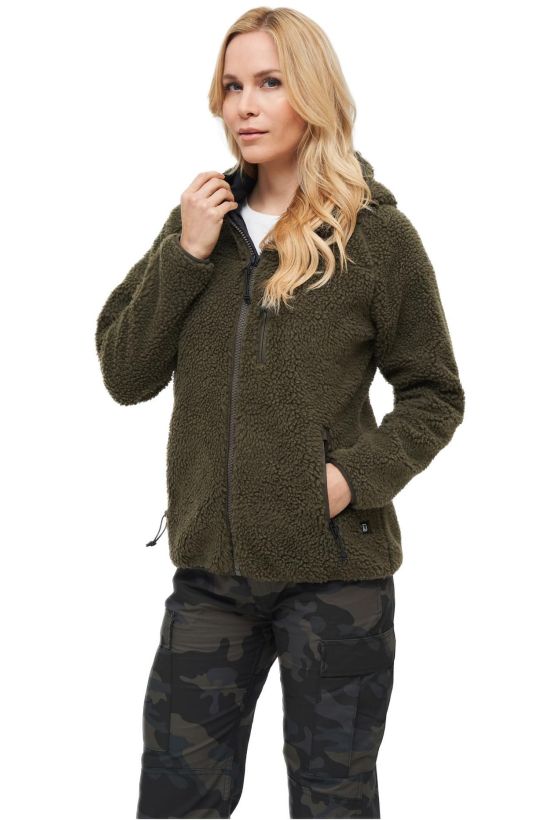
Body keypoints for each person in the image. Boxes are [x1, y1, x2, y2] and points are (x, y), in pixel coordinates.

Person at [95, 8, 465, 819]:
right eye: (233, 87)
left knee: (334, 801)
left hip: (336, 578)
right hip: (210, 579)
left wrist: (347, 481)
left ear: (313, 96)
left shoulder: (378, 238)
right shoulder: (198, 223)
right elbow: (125, 373)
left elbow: (435, 393)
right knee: (174, 797)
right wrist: (186, 254)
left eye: (270, 83)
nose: (247, 106)